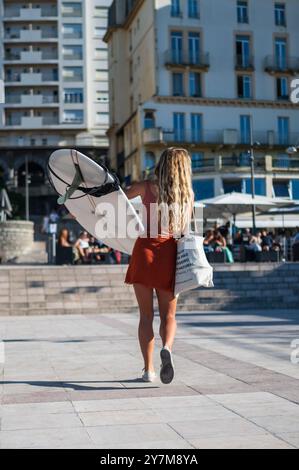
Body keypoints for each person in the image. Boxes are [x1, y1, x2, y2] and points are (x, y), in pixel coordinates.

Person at [125, 147, 194, 385]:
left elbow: (117, 198)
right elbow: (184, 232)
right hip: (169, 254)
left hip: (144, 251)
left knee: (145, 315)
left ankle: (148, 370)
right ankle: (167, 347)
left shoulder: (145, 186)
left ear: (161, 164)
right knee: (169, 315)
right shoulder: (187, 195)